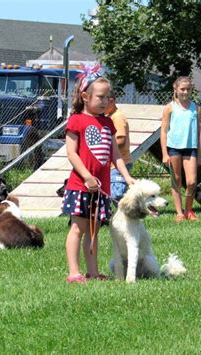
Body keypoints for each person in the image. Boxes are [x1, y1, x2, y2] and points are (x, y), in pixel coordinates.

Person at [62, 66, 135, 284]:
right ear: (85, 96)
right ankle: (74, 272)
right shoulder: (76, 120)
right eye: (100, 97)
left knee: (94, 231)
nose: (105, 102)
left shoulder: (108, 122)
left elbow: (116, 155)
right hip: (80, 186)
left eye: (108, 97)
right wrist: (86, 176)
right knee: (78, 228)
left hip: (101, 188)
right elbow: (71, 153)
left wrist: (127, 177)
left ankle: (92, 271)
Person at [160, 76, 201, 222]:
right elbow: (164, 131)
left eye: (188, 89)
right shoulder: (170, 107)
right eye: (182, 89)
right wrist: (165, 153)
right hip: (174, 148)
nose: (185, 92)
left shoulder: (196, 108)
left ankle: (189, 210)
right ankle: (179, 213)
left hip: (191, 148)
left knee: (191, 181)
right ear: (176, 89)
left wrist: (200, 155)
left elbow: (199, 132)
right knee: (176, 180)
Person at [106, 92, 132, 206]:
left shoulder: (118, 117)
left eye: (104, 101)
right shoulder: (110, 117)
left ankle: (130, 216)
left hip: (120, 163)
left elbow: (121, 140)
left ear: (111, 101)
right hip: (113, 165)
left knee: (118, 195)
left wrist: (106, 150)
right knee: (114, 194)